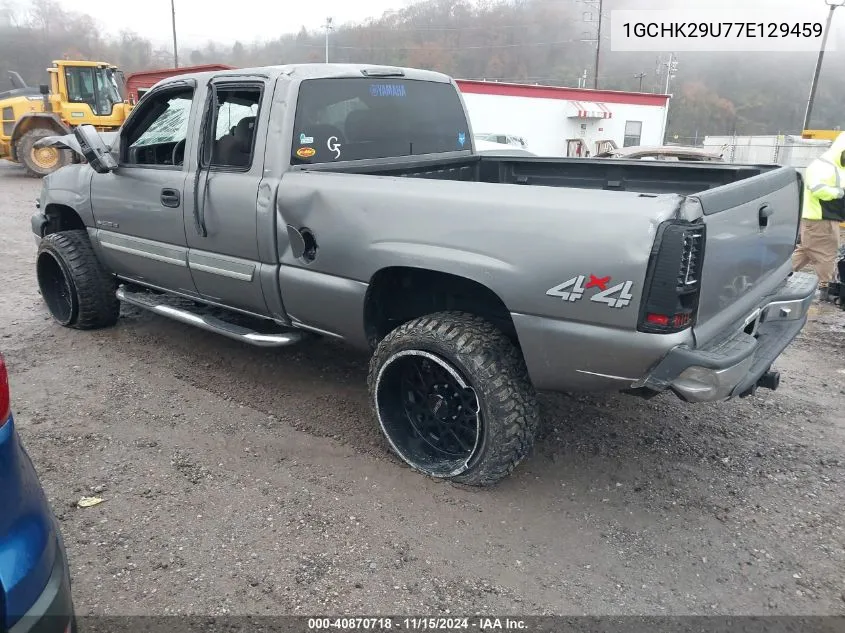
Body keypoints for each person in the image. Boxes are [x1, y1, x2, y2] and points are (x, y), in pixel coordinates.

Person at [792, 132, 845, 300]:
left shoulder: (837, 167)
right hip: (820, 218)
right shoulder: (823, 166)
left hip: (825, 218)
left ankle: (778, 274)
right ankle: (826, 289)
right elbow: (817, 188)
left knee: (807, 251)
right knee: (826, 253)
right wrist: (840, 193)